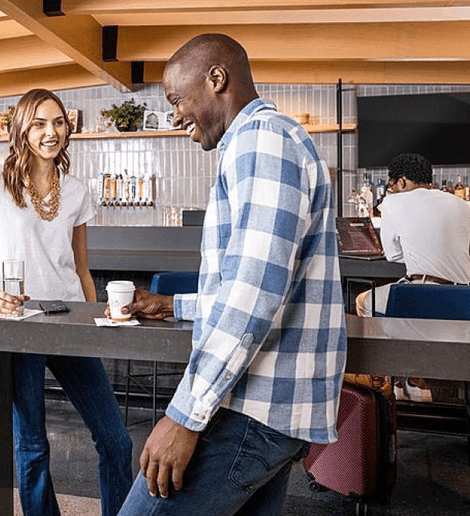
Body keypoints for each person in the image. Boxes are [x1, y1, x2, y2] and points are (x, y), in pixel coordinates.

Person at [113, 34, 347, 516]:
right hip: (273, 408)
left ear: (216, 79)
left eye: (177, 99)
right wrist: (173, 304)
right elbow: (265, 285)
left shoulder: (260, 139)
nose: (174, 115)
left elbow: (253, 293)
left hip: (248, 407)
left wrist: (184, 415)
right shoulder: (269, 139)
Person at [0, 88, 132, 516]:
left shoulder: (75, 191)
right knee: (33, 446)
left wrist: (100, 322)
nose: (50, 132)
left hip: (71, 319)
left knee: (116, 439)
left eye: (57, 122)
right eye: (39, 123)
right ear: (22, 127)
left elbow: (81, 269)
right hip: (20, 323)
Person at [355, 152, 470, 402]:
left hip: (424, 299)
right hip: (469, 300)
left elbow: (392, 254)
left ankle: (392, 379)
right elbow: (469, 250)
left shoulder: (393, 203)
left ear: (401, 181)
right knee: (403, 298)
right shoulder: (460, 204)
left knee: (364, 301)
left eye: (391, 184)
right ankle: (411, 379)